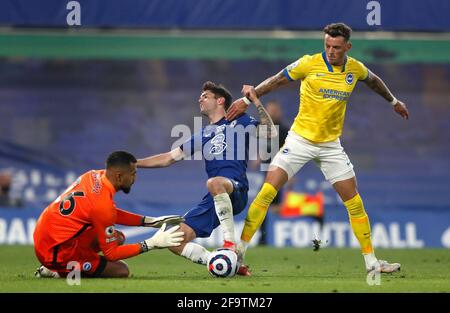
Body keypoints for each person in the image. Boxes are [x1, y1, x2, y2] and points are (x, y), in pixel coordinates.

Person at [226, 23, 409, 274]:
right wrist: (247, 99)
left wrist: (394, 102)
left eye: (336, 47)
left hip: (330, 146)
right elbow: (277, 80)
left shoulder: (354, 68)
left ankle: (372, 264)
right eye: (327, 46)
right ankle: (239, 253)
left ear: (347, 47)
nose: (331, 51)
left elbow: (374, 80)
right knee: (267, 192)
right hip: (299, 140)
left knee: (354, 203)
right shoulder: (308, 63)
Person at [137, 81, 277, 276]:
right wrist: (135, 163)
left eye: (205, 96)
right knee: (173, 240)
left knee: (214, 182)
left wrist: (254, 99)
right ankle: (225, 263)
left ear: (220, 100)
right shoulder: (201, 135)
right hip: (215, 196)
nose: (199, 99)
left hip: (236, 188)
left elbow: (271, 132)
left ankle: (229, 244)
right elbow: (168, 158)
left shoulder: (239, 120)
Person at [33, 151, 185, 278]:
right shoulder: (101, 204)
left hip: (47, 236)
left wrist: (149, 221)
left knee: (118, 237)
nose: (134, 179)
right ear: (119, 176)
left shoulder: (93, 175)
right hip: (55, 253)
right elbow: (111, 253)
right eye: (132, 174)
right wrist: (150, 244)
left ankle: (77, 262)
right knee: (121, 271)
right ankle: (56, 270)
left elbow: (105, 213)